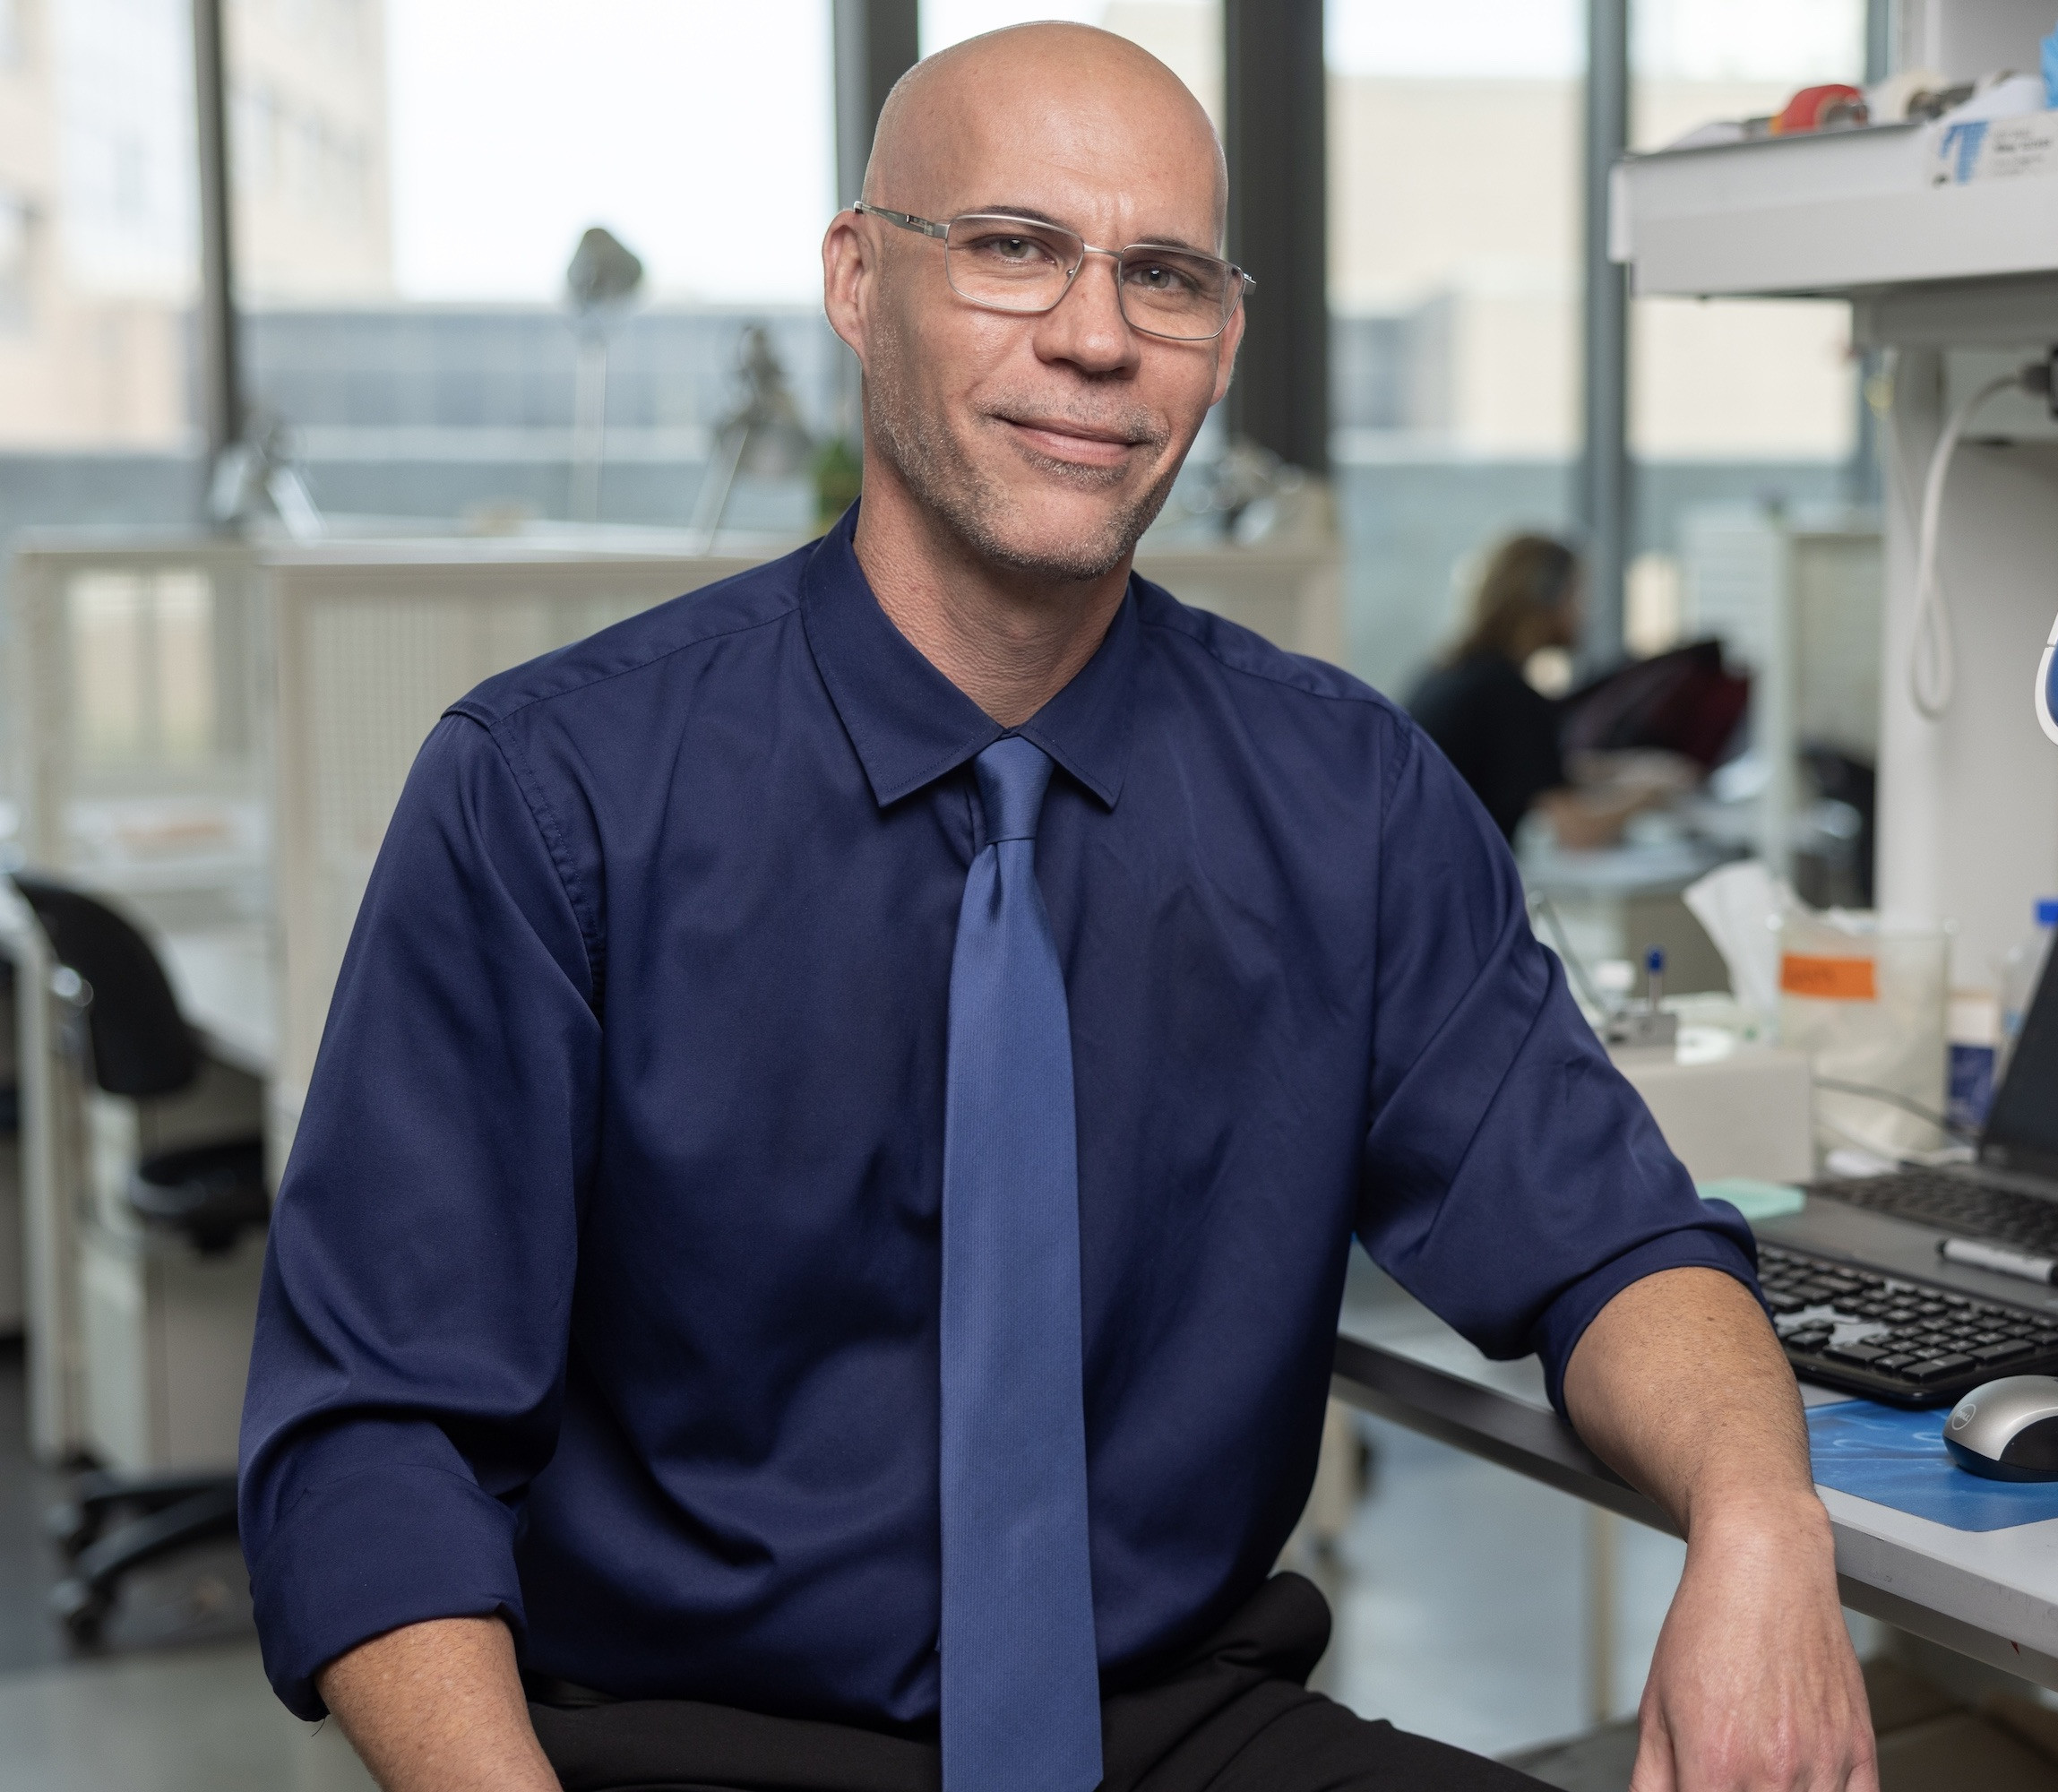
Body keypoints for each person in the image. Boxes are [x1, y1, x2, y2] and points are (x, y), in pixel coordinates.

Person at [238, 25, 1877, 1792]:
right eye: (1013, 247)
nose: (1095, 336)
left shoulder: (1352, 804)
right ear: (859, 282)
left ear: (1222, 342)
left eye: (1162, 276)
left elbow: (1611, 1237)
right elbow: (372, 1437)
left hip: (1179, 1728)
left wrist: (1764, 1520)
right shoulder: (552, 797)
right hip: (683, 1743)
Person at [1408, 535, 1691, 850]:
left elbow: (1530, 769)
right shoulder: (1504, 694)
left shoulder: (1456, 673)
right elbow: (1577, 833)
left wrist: (1623, 771)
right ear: (1544, 601)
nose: (1585, 615)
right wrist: (1646, 797)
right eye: (1577, 597)